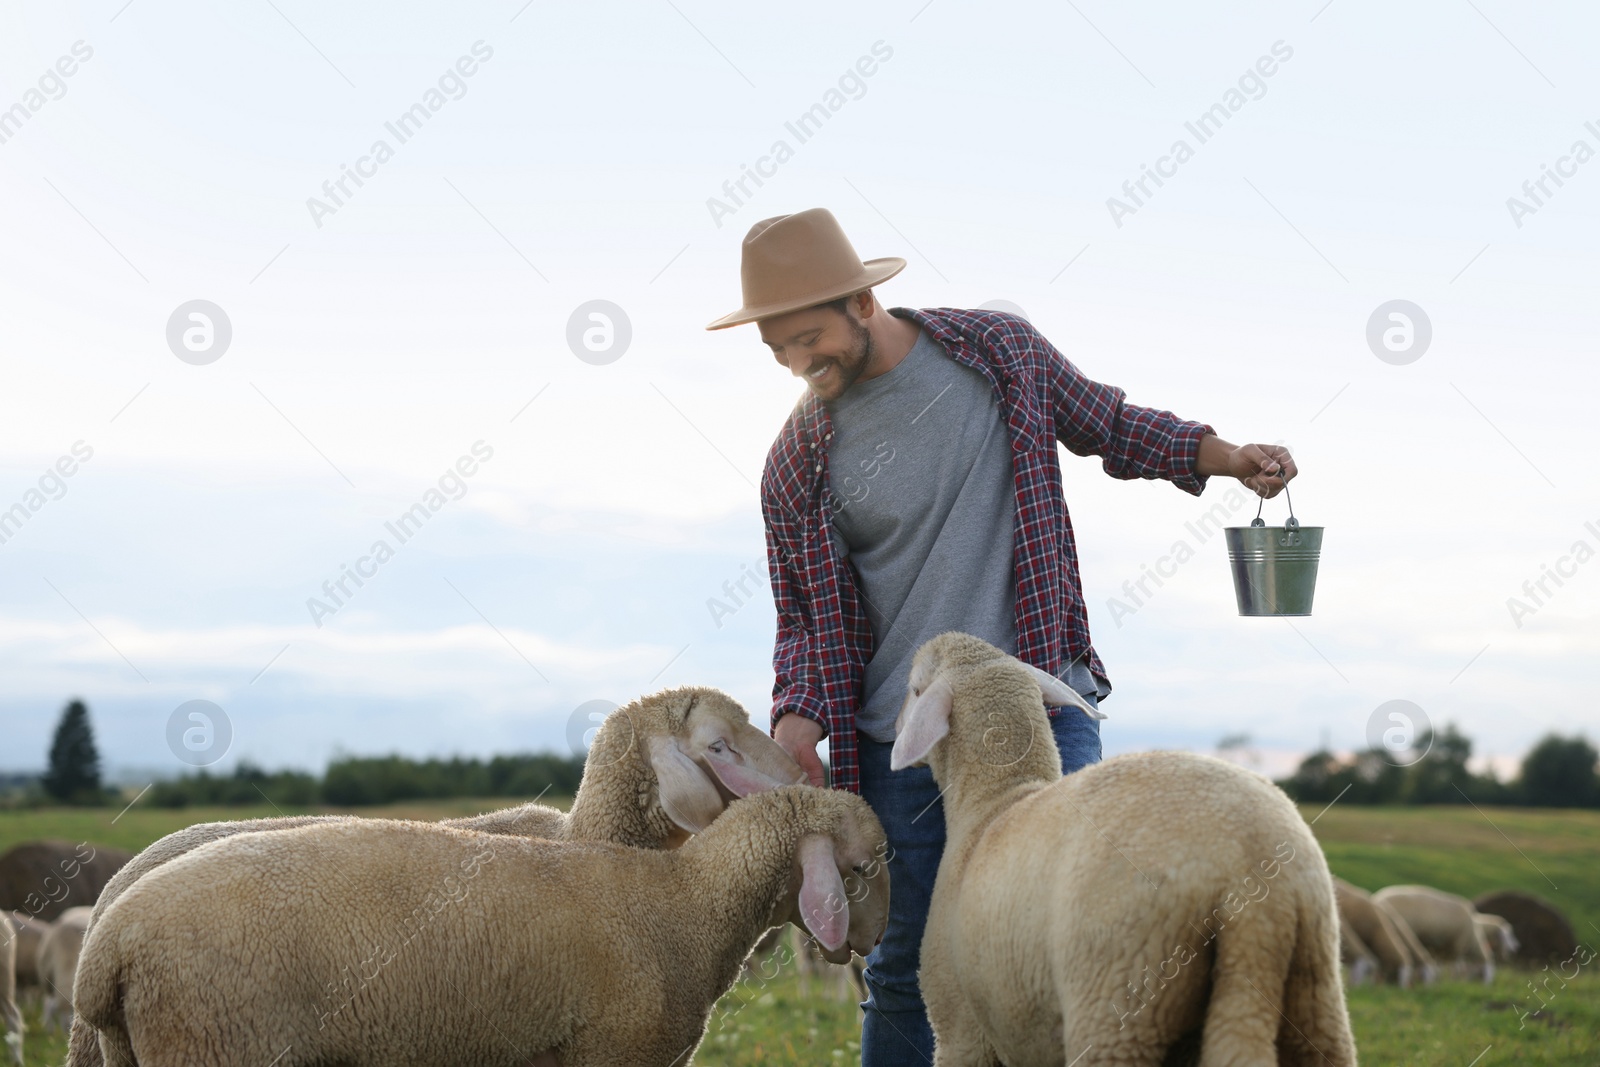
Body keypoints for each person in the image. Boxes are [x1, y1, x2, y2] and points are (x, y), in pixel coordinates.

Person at [706, 207, 1295, 1065]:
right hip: (900, 747)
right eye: (779, 350)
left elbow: (1107, 422)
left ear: (862, 302)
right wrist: (797, 717)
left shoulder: (998, 354)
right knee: (907, 967)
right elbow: (800, 619)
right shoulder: (796, 460)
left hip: (1042, 707)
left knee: (1071, 946)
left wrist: (1224, 455)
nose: (799, 363)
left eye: (808, 338)